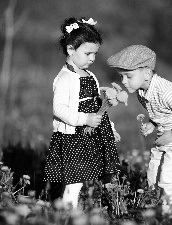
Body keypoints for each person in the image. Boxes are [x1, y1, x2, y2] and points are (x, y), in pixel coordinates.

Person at [107, 45, 172, 217]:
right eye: (121, 77)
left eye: (129, 76)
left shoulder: (168, 92)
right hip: (165, 136)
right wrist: (152, 124)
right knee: (153, 177)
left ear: (147, 73)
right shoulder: (141, 92)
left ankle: (171, 217)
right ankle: (157, 211)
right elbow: (161, 114)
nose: (124, 82)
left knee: (168, 180)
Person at [44, 17, 120, 209]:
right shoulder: (65, 78)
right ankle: (67, 214)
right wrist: (84, 118)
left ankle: (77, 208)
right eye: (87, 53)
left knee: (86, 177)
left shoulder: (90, 75)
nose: (92, 58)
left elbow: (96, 106)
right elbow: (59, 109)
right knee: (74, 181)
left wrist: (109, 128)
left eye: (95, 54)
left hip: (91, 135)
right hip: (73, 137)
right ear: (71, 49)